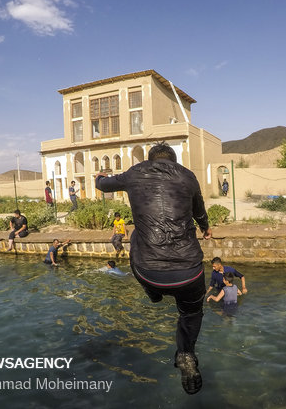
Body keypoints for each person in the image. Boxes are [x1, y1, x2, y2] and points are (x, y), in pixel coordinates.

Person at [95, 141, 211, 395]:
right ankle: (186, 354)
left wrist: (99, 176)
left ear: (150, 159)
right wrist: (205, 228)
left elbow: (102, 185)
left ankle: (154, 294)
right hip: (189, 273)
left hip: (149, 272)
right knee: (190, 315)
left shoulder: (135, 172)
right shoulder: (188, 176)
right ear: (174, 160)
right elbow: (199, 211)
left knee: (136, 235)